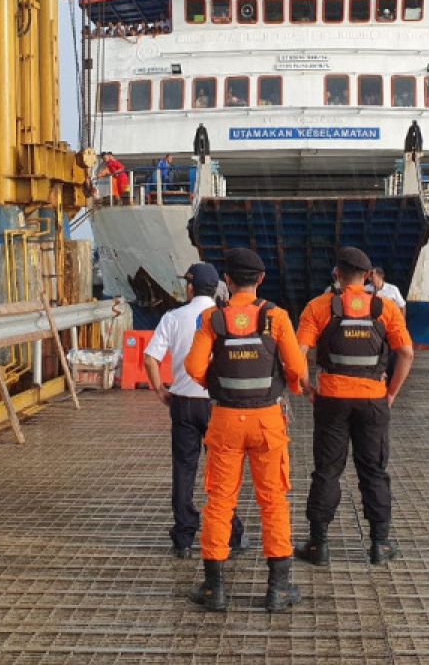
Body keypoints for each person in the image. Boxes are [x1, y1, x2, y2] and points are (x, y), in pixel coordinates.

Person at [185, 248, 308, 612]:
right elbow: (298, 368)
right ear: (261, 279)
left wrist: (216, 385)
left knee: (220, 501)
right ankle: (277, 589)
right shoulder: (277, 317)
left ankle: (215, 589)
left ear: (227, 280)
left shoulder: (213, 318)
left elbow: (193, 367)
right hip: (267, 421)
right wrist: (292, 389)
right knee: (273, 501)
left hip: (225, 420)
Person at [295, 247, 414, 567]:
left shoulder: (319, 307)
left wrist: (306, 387)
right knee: (374, 471)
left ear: (337, 273)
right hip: (373, 399)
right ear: (368, 277)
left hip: (332, 399)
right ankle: (380, 544)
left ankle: (319, 545)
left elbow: (298, 353)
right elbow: (406, 354)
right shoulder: (385, 308)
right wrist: (390, 394)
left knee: (327, 471)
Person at [143, 263, 246, 559]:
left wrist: (162, 391)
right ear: (216, 288)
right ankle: (232, 534)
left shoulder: (172, 317)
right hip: (218, 406)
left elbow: (151, 358)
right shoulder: (224, 318)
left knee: (184, 470)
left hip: (183, 403)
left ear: (190, 288)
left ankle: (184, 537)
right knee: (224, 472)